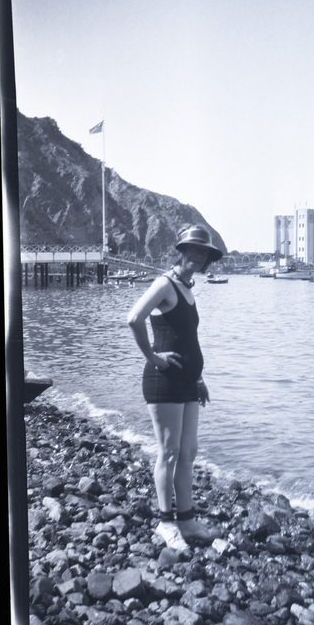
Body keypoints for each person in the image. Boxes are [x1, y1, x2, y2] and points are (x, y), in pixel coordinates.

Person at [127, 224, 223, 552]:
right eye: (193, 250)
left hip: (188, 382)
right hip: (163, 380)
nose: (198, 256)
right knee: (168, 452)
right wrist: (153, 357)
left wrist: (198, 379)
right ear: (181, 251)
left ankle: (187, 519)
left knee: (188, 452)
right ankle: (165, 522)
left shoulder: (188, 288)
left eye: (204, 252)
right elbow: (134, 318)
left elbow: (186, 339)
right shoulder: (164, 284)